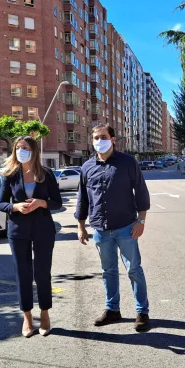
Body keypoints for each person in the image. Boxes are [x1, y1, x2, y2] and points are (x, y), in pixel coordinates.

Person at [76, 124, 152, 332]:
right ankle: (112, 310)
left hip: (126, 227)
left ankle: (142, 312)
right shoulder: (87, 167)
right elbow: (83, 198)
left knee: (134, 270)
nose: (99, 141)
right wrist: (81, 225)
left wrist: (141, 220)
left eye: (103, 137)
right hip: (100, 229)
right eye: (95, 138)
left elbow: (141, 191)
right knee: (108, 271)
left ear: (113, 139)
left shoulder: (127, 162)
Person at [0, 136, 62, 338]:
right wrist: (15, 206)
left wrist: (41, 203)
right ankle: (27, 317)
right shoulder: (9, 175)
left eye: (24, 147)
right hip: (18, 230)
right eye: (18, 148)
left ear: (33, 151)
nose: (20, 151)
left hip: (43, 229)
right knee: (23, 273)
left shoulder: (46, 173)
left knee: (42, 273)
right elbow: (1, 204)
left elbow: (57, 202)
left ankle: (44, 314)